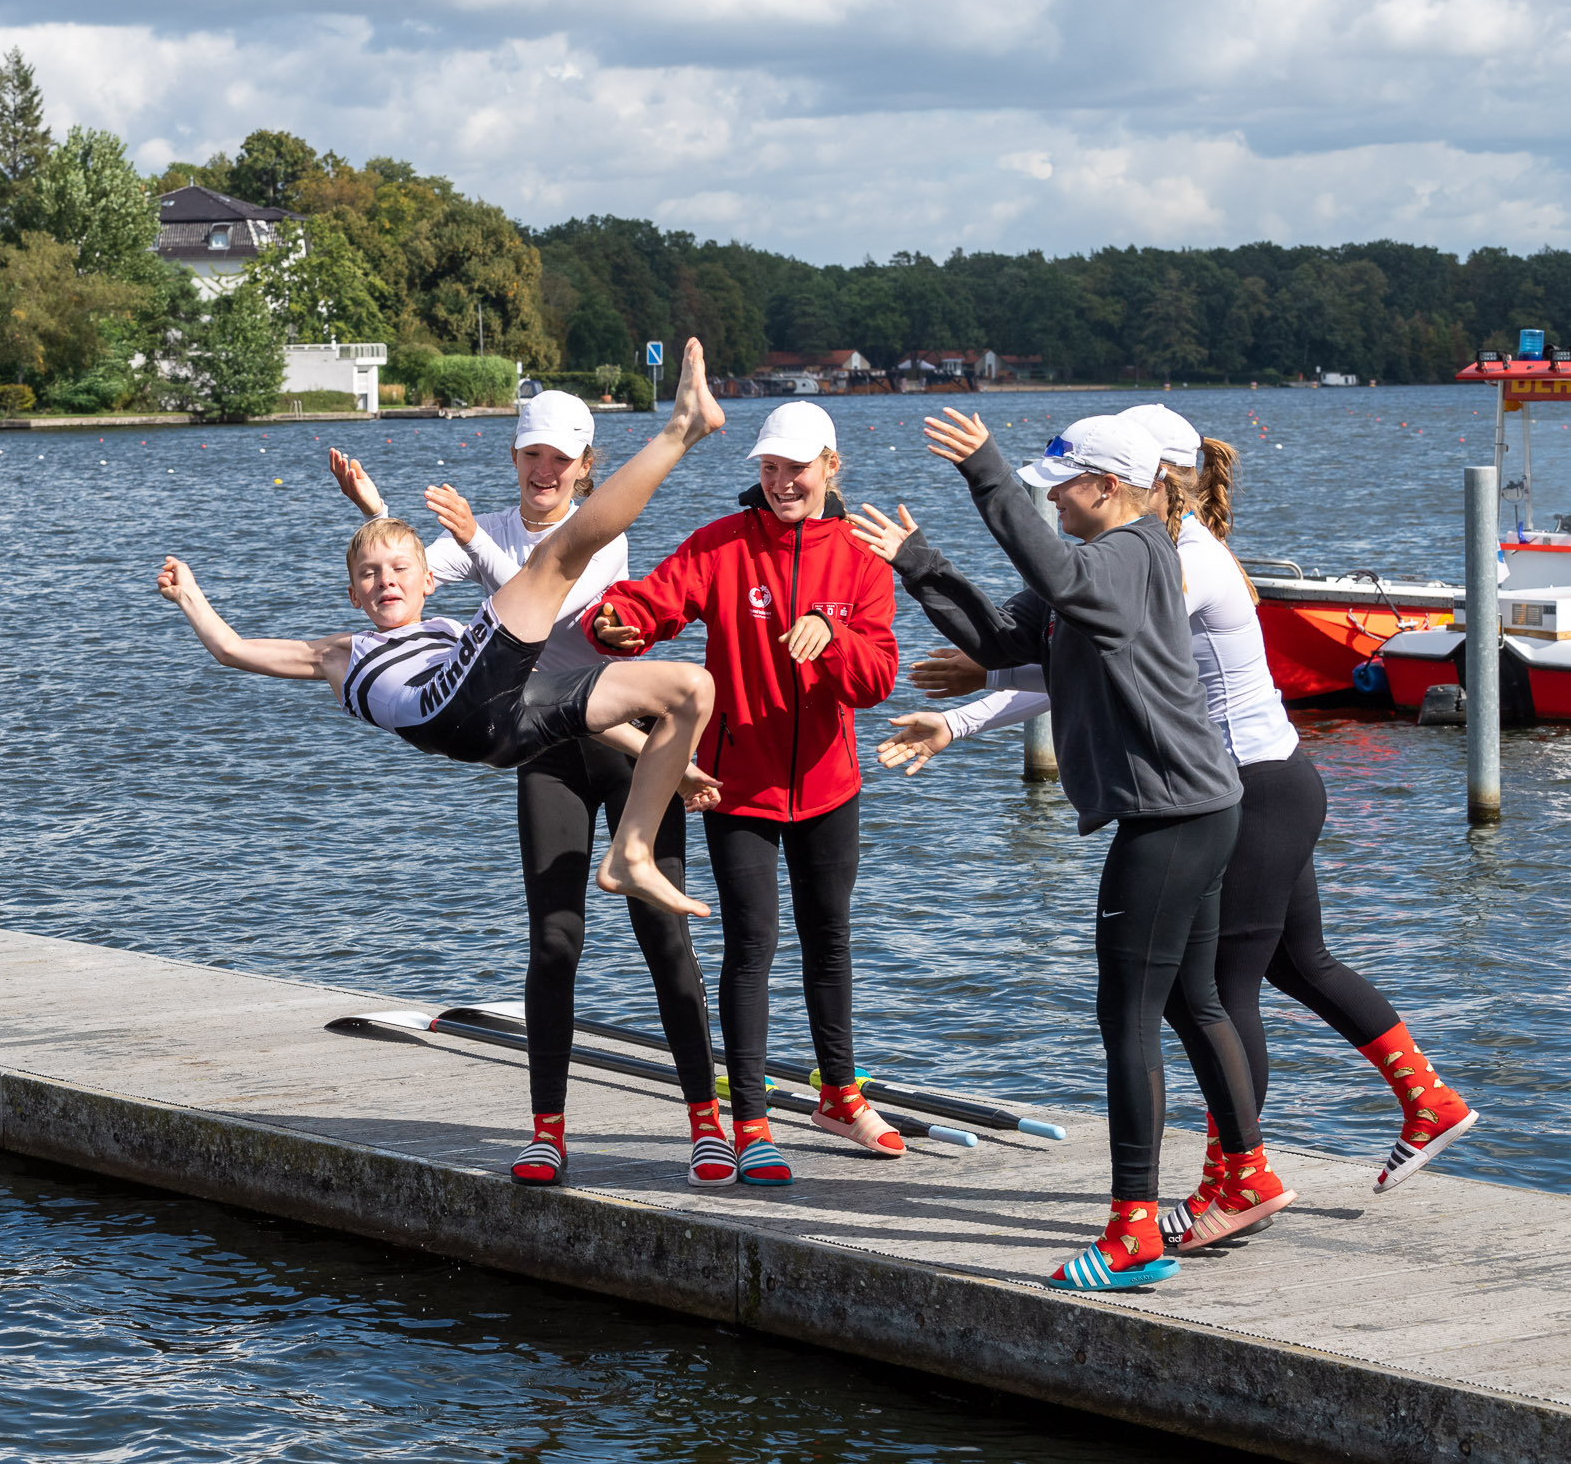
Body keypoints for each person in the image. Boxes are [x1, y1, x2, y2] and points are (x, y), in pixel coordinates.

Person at [875, 405, 1477, 1213]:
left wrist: (970, 705)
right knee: (1299, 963)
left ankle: (1232, 1180)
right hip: (1262, 781)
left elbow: (1085, 661)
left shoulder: (1182, 563)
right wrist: (975, 661)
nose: (1061, 497)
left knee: (1219, 993)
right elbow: (1066, 650)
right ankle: (1425, 1100)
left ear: (1145, 482)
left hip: (1249, 788)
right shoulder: (1146, 550)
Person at [845, 411, 1285, 1291]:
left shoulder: (1128, 555)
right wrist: (919, 564)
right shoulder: (1100, 563)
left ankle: (1133, 1232)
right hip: (1196, 808)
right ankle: (1248, 1170)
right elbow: (1003, 643)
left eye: (1062, 489)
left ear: (1110, 488)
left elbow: (1053, 569)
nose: (1051, 504)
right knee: (1192, 1002)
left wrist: (987, 472)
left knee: (1127, 1017)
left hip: (1172, 821)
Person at [158, 337, 722, 945]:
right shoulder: (340, 652)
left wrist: (667, 762)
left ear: (427, 583)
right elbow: (232, 649)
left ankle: (630, 852)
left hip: (506, 724)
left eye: (402, 576)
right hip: (445, 705)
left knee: (691, 687)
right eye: (370, 581)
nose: (386, 586)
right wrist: (190, 595)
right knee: (556, 558)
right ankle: (681, 430)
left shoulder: (453, 633)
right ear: (353, 596)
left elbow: (561, 705)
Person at [324, 392, 723, 1189]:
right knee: (554, 941)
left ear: (585, 468)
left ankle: (706, 1123)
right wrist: (377, 512)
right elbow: (401, 584)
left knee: (662, 934)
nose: (543, 471)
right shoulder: (483, 532)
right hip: (549, 752)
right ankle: (547, 1131)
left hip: (622, 744)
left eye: (559, 459)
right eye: (530, 455)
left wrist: (662, 755)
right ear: (515, 459)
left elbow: (555, 599)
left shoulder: (604, 529)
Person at [584, 401, 902, 1189]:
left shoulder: (862, 559)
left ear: (831, 465)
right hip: (740, 789)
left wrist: (834, 643)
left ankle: (840, 1095)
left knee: (829, 940)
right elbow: (650, 604)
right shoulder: (722, 545)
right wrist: (613, 621)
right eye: (768, 467)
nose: (781, 481)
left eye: (796, 467)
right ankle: (752, 1124)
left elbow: (879, 677)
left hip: (829, 785)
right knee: (751, 947)